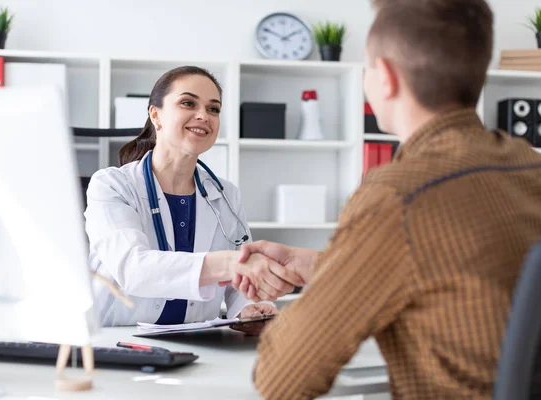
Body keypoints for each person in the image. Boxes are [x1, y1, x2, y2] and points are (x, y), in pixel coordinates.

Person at [231, 0, 541, 398]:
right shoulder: (527, 165)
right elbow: (468, 277)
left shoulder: (398, 195)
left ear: (388, 78)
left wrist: (327, 286)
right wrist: (325, 266)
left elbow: (283, 378)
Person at [84, 66, 302, 332]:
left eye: (213, 109)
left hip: (197, 341)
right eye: (188, 103)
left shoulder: (226, 194)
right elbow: (133, 269)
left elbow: (238, 287)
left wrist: (246, 309)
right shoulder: (112, 185)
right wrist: (232, 264)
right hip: (116, 338)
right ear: (156, 115)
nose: (203, 116)